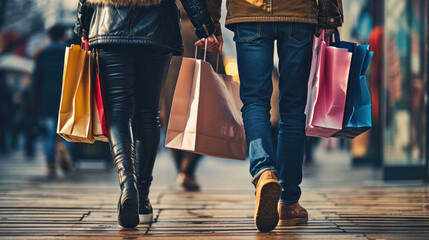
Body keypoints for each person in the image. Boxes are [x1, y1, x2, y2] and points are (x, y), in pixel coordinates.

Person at [199, 0, 344, 232]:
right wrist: (329, 16)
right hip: (298, 14)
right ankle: (289, 202)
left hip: (248, 14)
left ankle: (264, 170)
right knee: (293, 108)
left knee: (255, 100)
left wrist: (210, 24)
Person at [74, 0, 219, 228]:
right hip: (158, 27)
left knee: (118, 113)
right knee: (148, 113)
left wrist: (82, 26)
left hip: (109, 24)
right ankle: (142, 197)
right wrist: (205, 27)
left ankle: (127, 184)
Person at [161, 1, 226, 192]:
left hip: (169, 45)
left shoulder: (170, 26)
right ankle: (186, 171)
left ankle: (182, 170)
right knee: (201, 119)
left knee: (175, 122)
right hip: (202, 40)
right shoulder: (204, 28)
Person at [33, 25, 72, 178]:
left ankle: (50, 163)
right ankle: (64, 150)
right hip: (67, 98)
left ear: (50, 37)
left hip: (47, 99)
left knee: (49, 134)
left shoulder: (42, 54)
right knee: (67, 132)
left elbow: (36, 81)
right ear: (63, 36)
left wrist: (37, 102)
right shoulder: (70, 51)